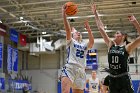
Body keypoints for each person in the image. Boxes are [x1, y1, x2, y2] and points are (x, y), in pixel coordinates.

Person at [91, 3, 140, 93]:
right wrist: (95, 14)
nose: (115, 34)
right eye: (115, 33)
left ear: (123, 36)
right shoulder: (111, 44)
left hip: (123, 78)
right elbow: (101, 28)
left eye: (117, 33)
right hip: (112, 79)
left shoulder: (127, 47)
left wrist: (135, 22)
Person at [61, 5, 94, 93]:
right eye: (76, 32)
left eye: (79, 32)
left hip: (81, 71)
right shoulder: (70, 41)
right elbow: (68, 29)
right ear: (72, 35)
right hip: (70, 68)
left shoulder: (84, 44)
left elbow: (91, 42)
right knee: (65, 91)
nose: (78, 32)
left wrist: (89, 29)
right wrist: (64, 14)